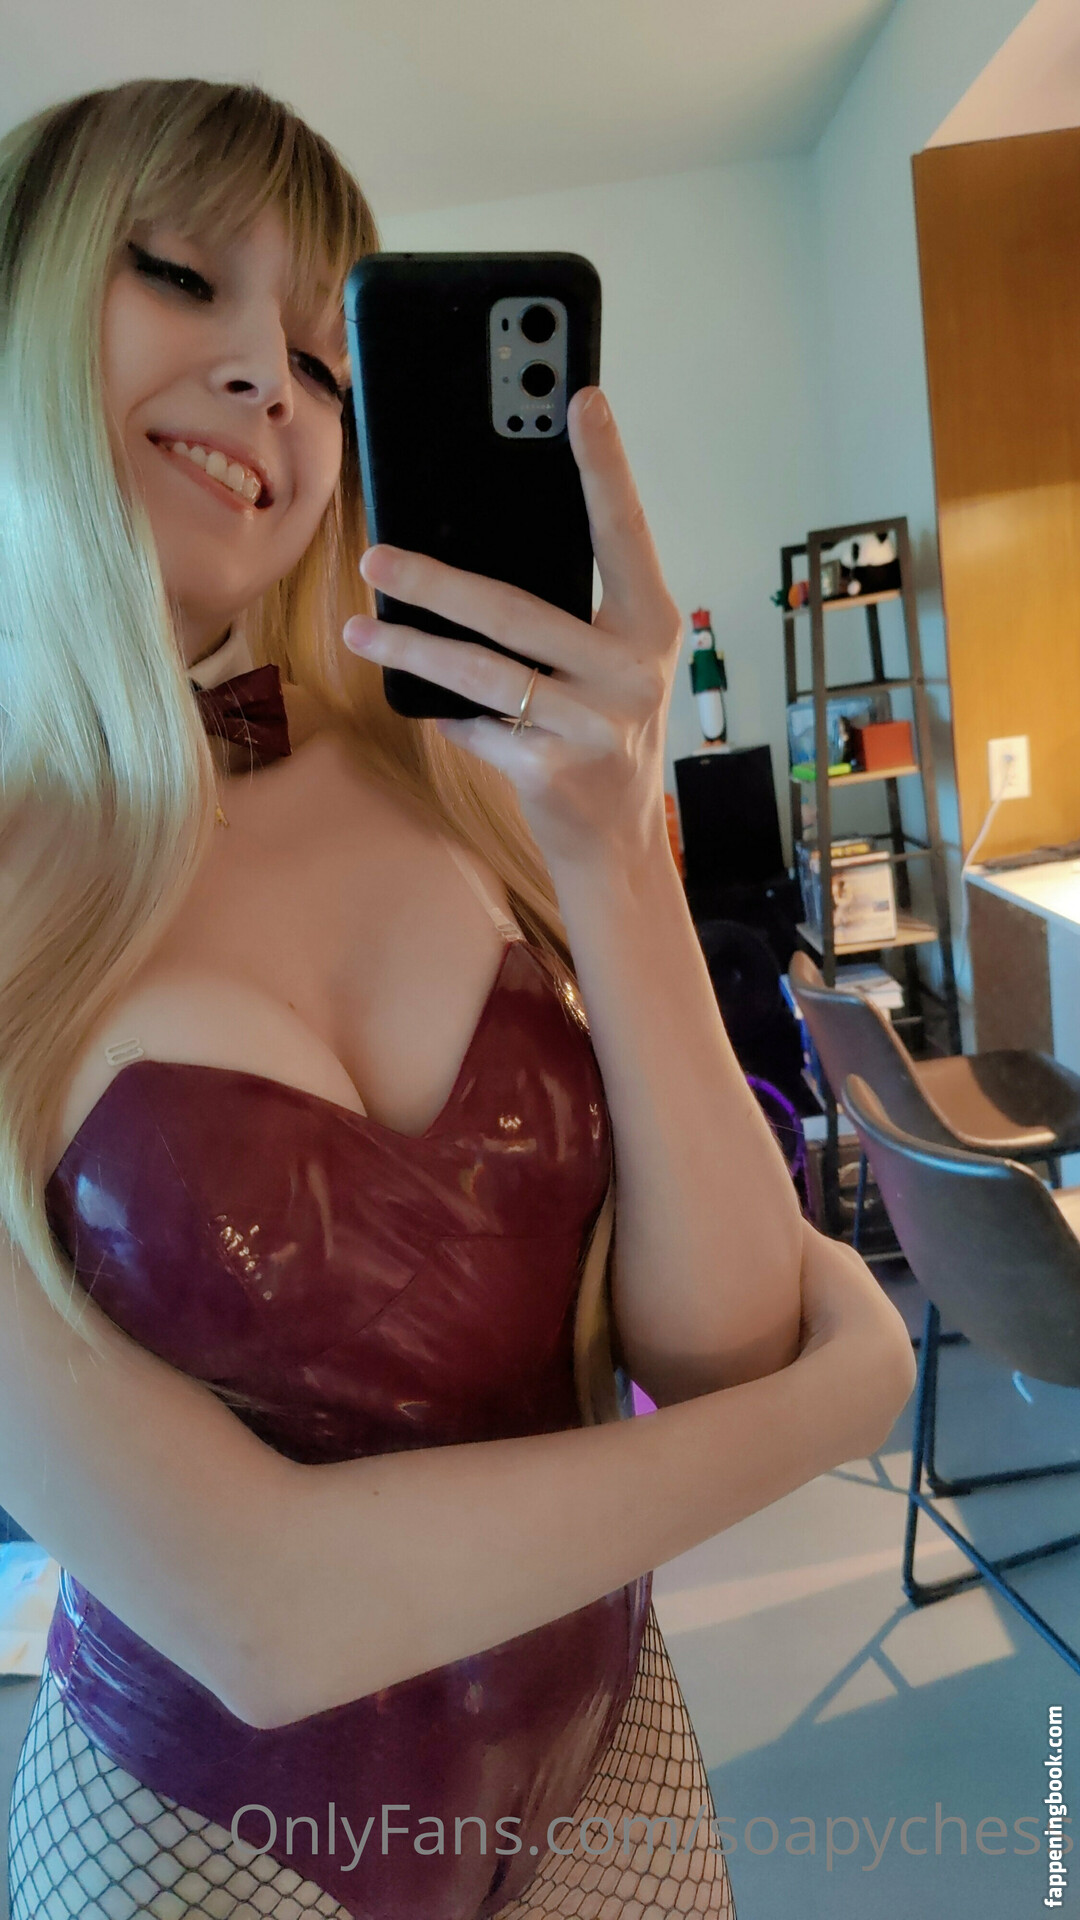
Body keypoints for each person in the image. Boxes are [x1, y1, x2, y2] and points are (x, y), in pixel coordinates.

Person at [0, 78, 916, 1920]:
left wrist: (614, 847)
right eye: (181, 274)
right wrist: (848, 1399)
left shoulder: (469, 787)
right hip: (198, 1851)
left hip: (613, 1772)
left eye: (324, 362)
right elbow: (261, 1616)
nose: (268, 380)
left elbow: (717, 1346)